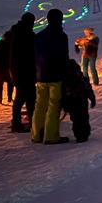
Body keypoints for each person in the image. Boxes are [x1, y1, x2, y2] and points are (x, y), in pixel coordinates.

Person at [32, 9, 70, 144]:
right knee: (54, 105)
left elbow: (34, 56)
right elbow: (64, 57)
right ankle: (50, 136)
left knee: (40, 104)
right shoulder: (61, 36)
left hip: (41, 75)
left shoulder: (39, 35)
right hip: (55, 76)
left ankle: (36, 134)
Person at [9, 12, 36, 133]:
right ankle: (29, 122)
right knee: (28, 98)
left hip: (17, 71)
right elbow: (28, 53)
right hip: (25, 72)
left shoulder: (17, 32)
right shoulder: (25, 34)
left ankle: (18, 122)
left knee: (21, 97)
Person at [61, 59, 96, 143]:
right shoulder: (79, 77)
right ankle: (83, 134)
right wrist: (91, 97)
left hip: (74, 102)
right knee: (82, 118)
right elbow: (87, 86)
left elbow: (63, 94)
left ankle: (80, 135)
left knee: (77, 119)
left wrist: (64, 105)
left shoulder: (64, 80)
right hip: (80, 101)